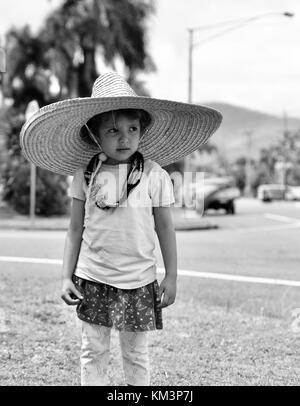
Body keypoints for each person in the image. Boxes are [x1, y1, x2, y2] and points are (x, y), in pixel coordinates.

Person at [20, 71, 222, 386]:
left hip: (139, 281)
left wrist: (172, 275)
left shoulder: (155, 176)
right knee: (93, 351)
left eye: (132, 128)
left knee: (136, 355)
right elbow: (75, 229)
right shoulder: (85, 175)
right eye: (113, 130)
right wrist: (64, 276)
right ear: (94, 135)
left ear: (143, 131)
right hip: (93, 278)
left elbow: (165, 228)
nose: (124, 138)